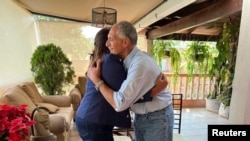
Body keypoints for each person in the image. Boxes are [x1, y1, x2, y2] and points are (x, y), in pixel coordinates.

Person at [87, 21, 174, 141]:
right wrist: (152, 92)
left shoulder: (139, 63)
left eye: (111, 39)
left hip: (156, 118)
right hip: (142, 117)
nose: (107, 44)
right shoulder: (127, 62)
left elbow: (120, 102)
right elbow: (131, 96)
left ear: (125, 42)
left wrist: (97, 80)